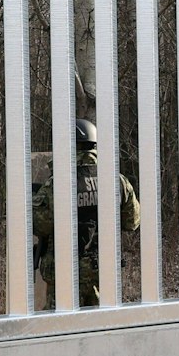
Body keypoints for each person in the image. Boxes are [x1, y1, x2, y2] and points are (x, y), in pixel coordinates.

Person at [33, 119, 142, 308]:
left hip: (66, 273)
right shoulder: (117, 180)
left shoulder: (58, 182)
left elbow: (40, 226)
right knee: (104, 325)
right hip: (103, 269)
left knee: (62, 328)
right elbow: (132, 222)